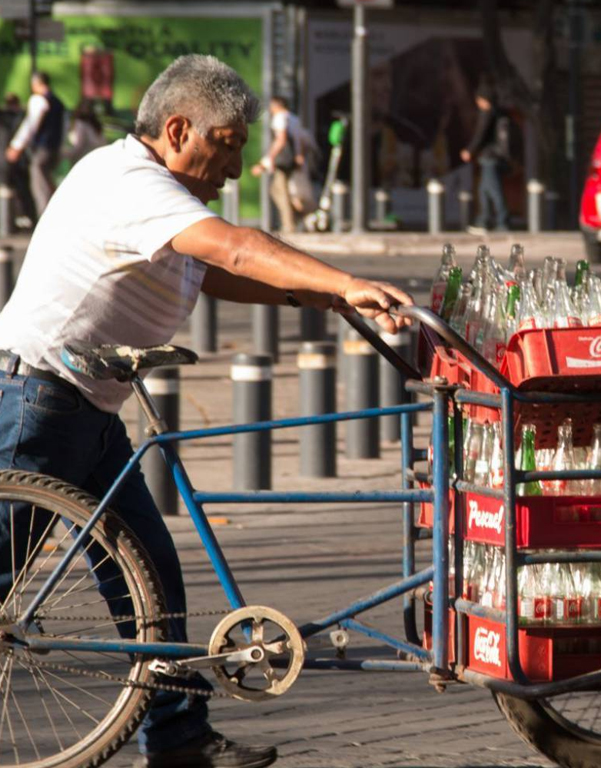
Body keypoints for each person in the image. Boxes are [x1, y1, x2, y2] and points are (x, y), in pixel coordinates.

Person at [0, 54, 412, 768]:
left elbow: (213, 272)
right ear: (180, 128)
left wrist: (322, 296)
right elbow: (237, 248)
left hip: (87, 408)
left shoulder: (154, 194)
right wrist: (345, 278)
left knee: (150, 575)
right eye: (228, 143)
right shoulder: (131, 181)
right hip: (39, 401)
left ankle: (179, 740)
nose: (238, 164)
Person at [5, 71, 65, 217]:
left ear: (35, 83)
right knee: (48, 182)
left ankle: (46, 217)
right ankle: (59, 213)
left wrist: (17, 146)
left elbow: (30, 125)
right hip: (54, 148)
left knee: (40, 185)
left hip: (42, 148)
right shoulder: (58, 102)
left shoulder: (39, 100)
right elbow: (63, 127)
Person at [250, 95, 310, 233]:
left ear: (276, 105)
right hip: (292, 160)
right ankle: (296, 217)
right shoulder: (294, 118)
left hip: (283, 161)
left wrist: (268, 158)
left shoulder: (279, 118)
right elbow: (300, 140)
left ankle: (289, 224)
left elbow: (281, 140)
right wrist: (299, 156)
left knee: (279, 191)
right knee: (285, 190)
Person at [460, 82, 511, 233]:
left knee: (493, 190)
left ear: (483, 99)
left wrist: (469, 150)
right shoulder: (498, 114)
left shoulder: (488, 114)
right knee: (484, 190)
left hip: (490, 157)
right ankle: (484, 220)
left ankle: (502, 221)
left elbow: (480, 135)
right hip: (492, 157)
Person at [0, 93, 35, 226]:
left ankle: (8, 223)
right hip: (21, 159)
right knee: (24, 191)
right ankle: (30, 217)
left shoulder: (4, 118)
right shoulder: (23, 116)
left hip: (7, 157)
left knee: (9, 190)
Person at [66, 98, 107, 166]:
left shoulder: (80, 123)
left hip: (86, 160)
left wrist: (66, 155)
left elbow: (79, 146)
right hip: (99, 158)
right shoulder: (95, 124)